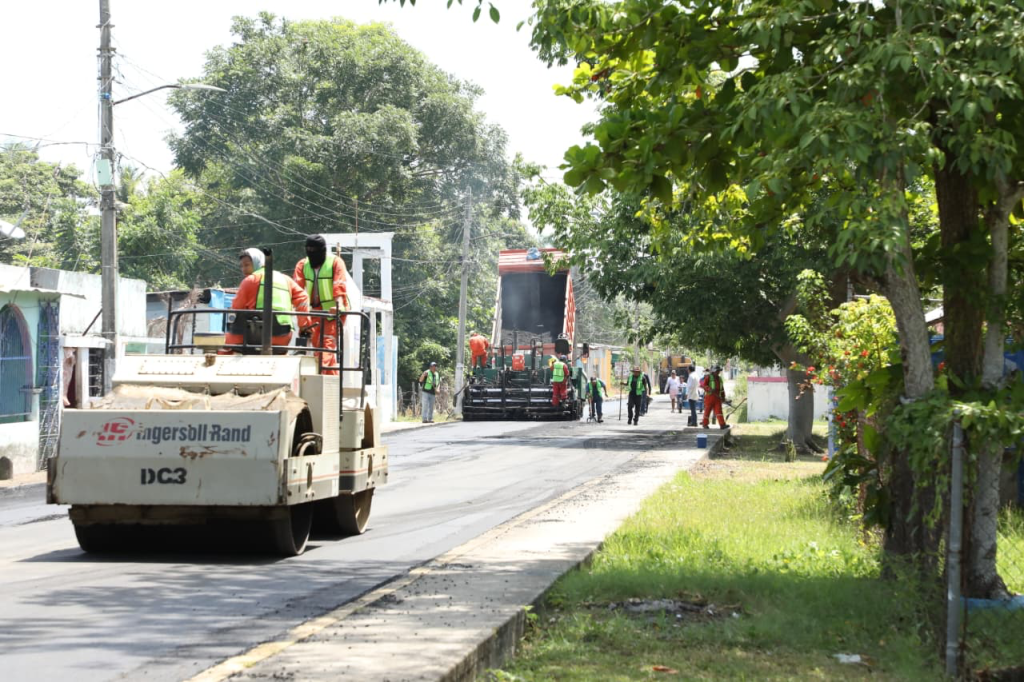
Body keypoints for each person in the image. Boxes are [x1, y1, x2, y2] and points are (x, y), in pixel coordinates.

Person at [223, 248, 310, 354]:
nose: (243, 269)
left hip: (254, 336)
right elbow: (303, 297)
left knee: (226, 345)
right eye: (241, 266)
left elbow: (237, 308)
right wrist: (304, 326)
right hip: (283, 335)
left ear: (257, 262)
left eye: (246, 265)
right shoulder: (286, 279)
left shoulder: (250, 280)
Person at [293, 234, 350, 375]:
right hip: (315, 313)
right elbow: (296, 292)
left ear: (322, 250)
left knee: (325, 348)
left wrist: (337, 307)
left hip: (333, 313)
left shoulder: (336, 263)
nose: (311, 252)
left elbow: (339, 286)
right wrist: (302, 323)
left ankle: (317, 380)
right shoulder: (302, 265)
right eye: (308, 249)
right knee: (319, 348)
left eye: (314, 249)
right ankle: (333, 387)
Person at [701, 365, 728, 429]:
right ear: (713, 371)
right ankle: (705, 424)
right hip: (709, 397)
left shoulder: (720, 379)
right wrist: (709, 389)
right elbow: (704, 385)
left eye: (719, 371)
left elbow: (722, 389)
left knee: (719, 412)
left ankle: (722, 425)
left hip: (717, 398)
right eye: (717, 371)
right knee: (707, 411)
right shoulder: (708, 377)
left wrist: (723, 397)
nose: (718, 372)